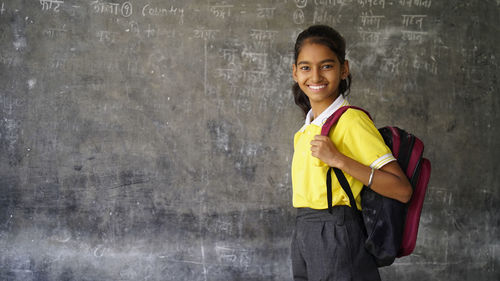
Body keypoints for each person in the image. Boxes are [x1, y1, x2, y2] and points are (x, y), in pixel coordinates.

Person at [290, 25, 413, 281]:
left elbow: (402, 189)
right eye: (305, 67)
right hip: (304, 231)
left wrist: (339, 160)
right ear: (295, 72)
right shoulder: (306, 129)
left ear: (343, 69)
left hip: (336, 232)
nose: (315, 76)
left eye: (326, 66)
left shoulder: (351, 120)